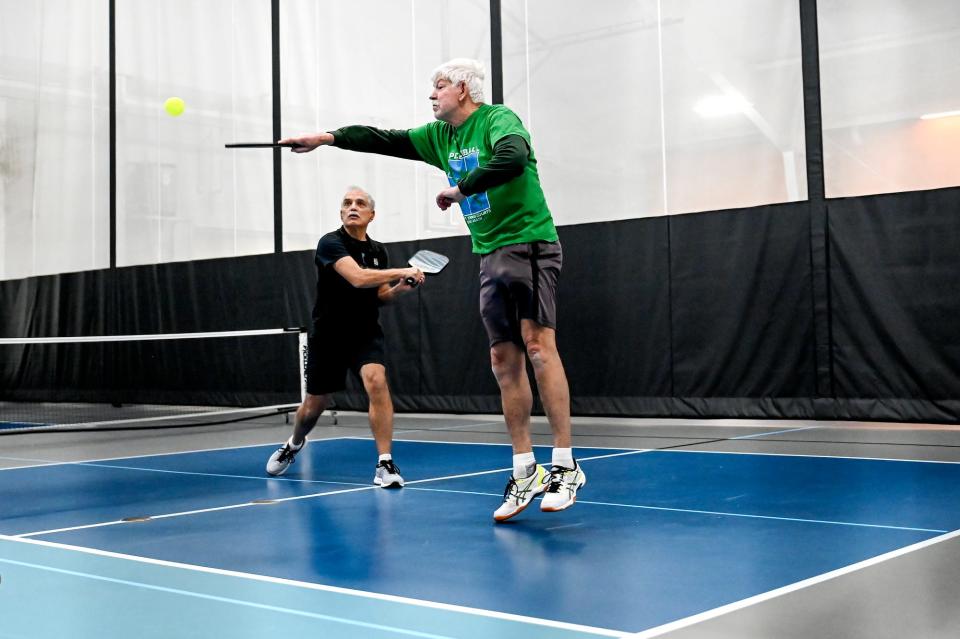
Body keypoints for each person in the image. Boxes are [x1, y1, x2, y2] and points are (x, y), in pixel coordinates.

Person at [279, 58, 585, 522]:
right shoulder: (438, 137)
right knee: (503, 360)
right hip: (489, 254)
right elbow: (384, 139)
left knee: (539, 347)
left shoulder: (497, 119)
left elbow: (513, 158)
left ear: (463, 89)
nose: (432, 95)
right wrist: (325, 138)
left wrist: (460, 189)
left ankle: (565, 464)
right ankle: (525, 469)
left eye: (439, 86)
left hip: (530, 244)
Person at [266, 186, 425, 487]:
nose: (353, 206)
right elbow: (358, 277)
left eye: (360, 203)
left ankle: (385, 464)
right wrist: (401, 271)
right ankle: (295, 443)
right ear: (341, 212)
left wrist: (401, 287)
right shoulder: (330, 243)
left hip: (365, 333)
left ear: (371, 215)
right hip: (329, 335)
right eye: (347, 203)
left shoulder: (378, 252)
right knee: (314, 406)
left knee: (377, 381)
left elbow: (379, 297)